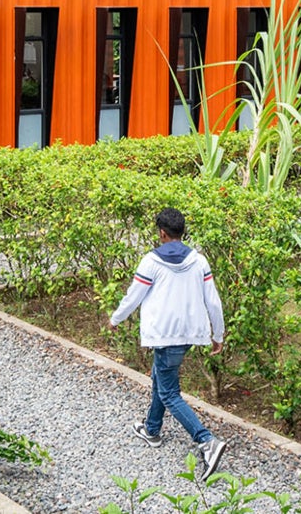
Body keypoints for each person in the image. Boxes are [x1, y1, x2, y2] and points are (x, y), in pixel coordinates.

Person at [109, 206, 227, 483]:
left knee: (170, 392)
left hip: (164, 335)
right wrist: (218, 334)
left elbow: (133, 296)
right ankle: (152, 429)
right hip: (189, 335)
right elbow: (213, 301)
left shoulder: (151, 262)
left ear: (162, 233)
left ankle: (206, 440)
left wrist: (115, 319)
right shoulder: (199, 261)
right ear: (182, 231)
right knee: (160, 378)